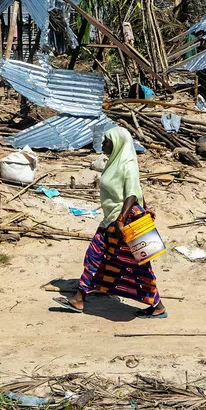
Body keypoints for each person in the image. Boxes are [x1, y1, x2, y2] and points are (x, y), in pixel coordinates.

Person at [53, 126, 168, 318]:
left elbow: (132, 193)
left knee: (132, 263)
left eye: (107, 141)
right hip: (112, 220)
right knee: (99, 257)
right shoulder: (114, 163)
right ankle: (79, 298)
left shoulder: (128, 163)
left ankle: (157, 306)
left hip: (122, 222)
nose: (103, 144)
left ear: (117, 144)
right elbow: (136, 189)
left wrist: (121, 221)